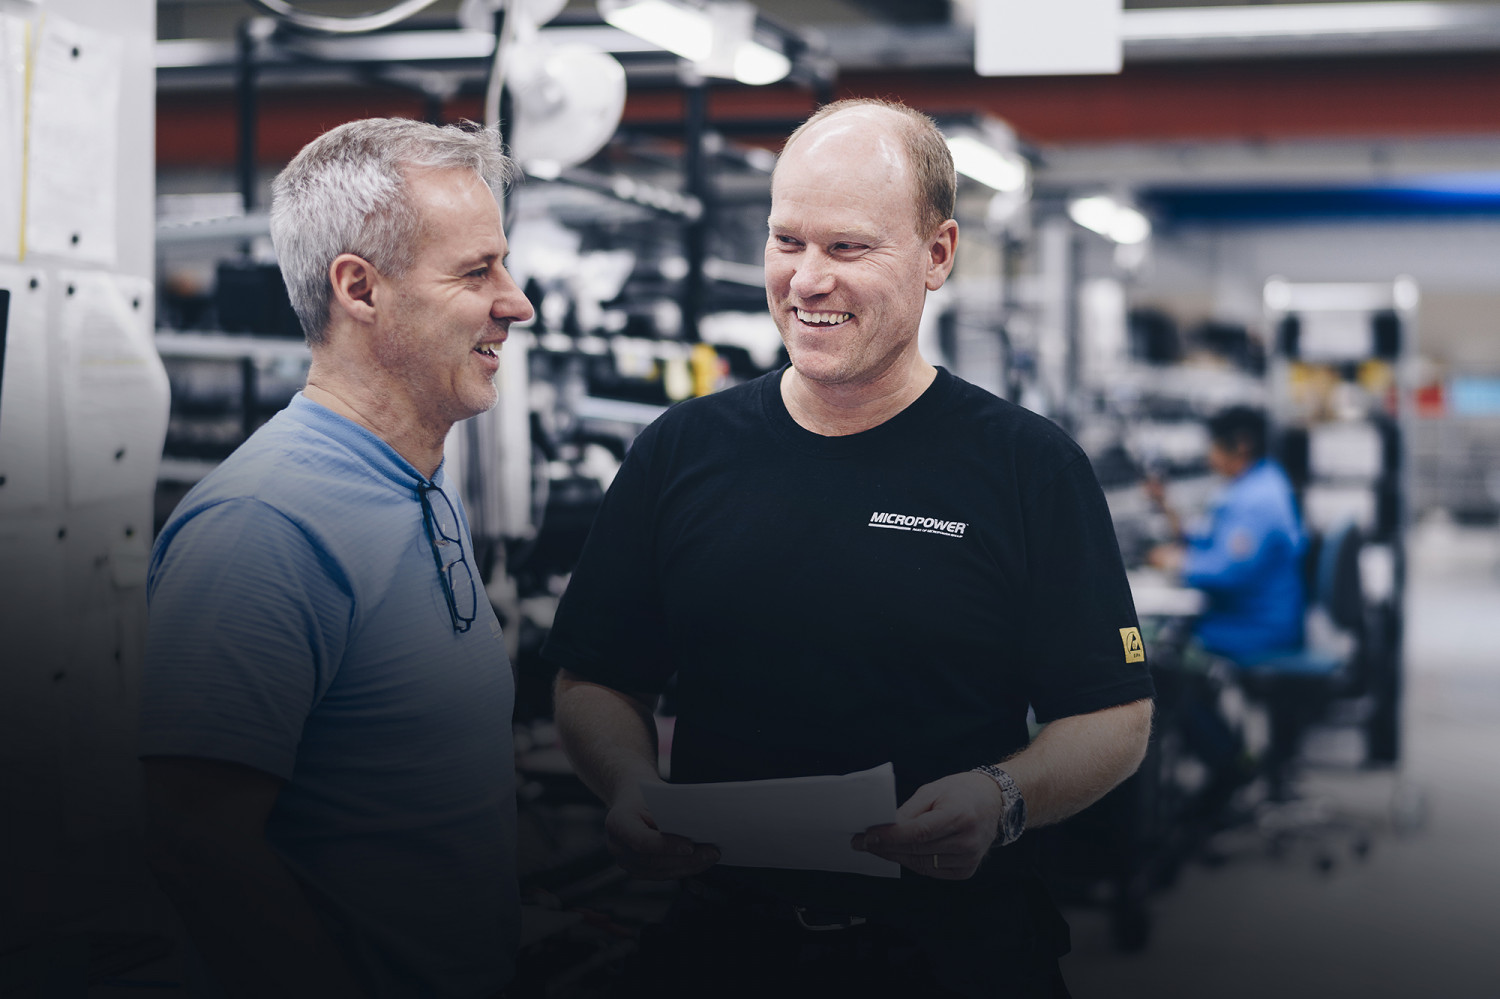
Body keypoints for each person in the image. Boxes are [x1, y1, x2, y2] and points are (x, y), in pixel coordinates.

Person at [543, 99, 1154, 999]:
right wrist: (628, 782)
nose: (806, 279)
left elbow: (1114, 715)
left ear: (937, 254)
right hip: (724, 951)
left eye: (848, 248)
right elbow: (595, 675)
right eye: (787, 241)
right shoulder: (681, 450)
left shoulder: (1028, 467)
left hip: (954, 955)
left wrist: (1001, 797)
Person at [139, 118, 534, 999]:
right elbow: (194, 841)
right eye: (478, 271)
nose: (517, 302)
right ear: (360, 288)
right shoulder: (265, 526)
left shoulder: (417, 484)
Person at [1147, 404, 1307, 664]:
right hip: (1246, 617)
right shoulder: (1256, 482)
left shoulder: (1258, 499)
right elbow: (1210, 538)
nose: (1209, 456)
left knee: (1165, 645)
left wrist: (1178, 562)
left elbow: (1229, 572)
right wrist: (1167, 508)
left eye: (1214, 445)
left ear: (1242, 444)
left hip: (1258, 629)